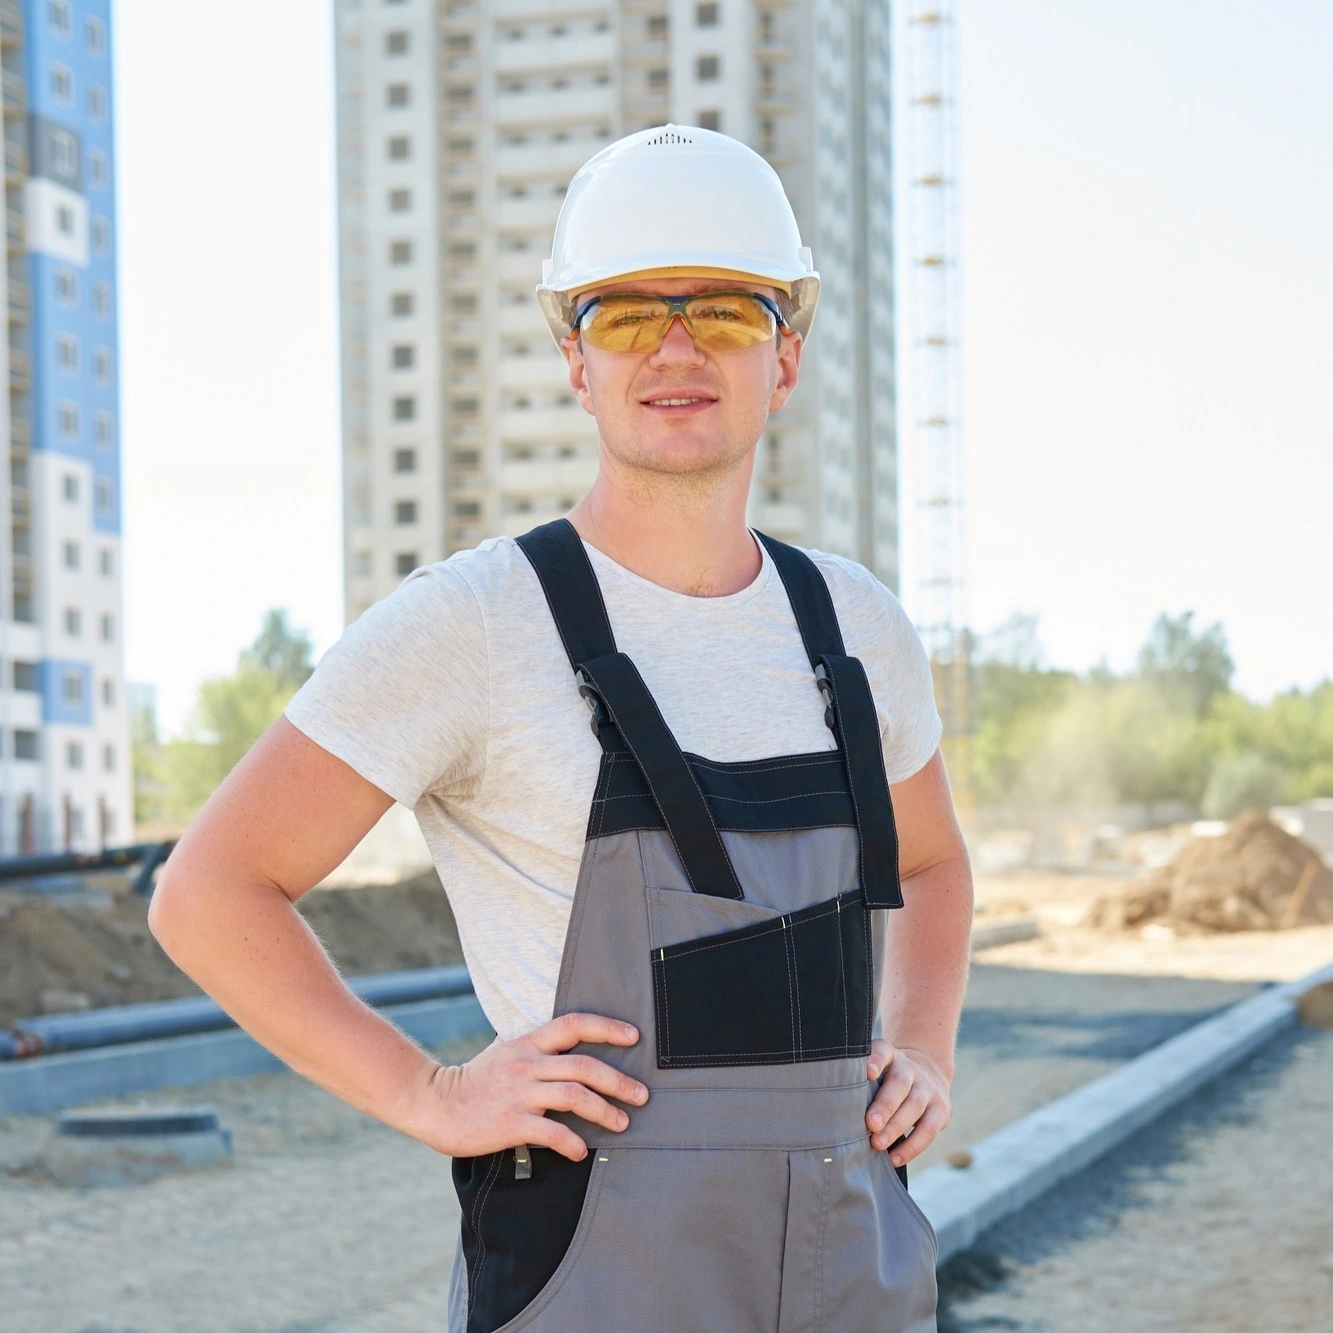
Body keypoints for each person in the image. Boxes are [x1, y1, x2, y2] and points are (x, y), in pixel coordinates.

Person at [148, 124, 973, 1332]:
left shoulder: (855, 624)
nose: (676, 348)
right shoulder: (474, 624)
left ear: (785, 357)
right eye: (628, 315)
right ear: (576, 362)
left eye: (727, 314)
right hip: (597, 1279)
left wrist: (923, 1045)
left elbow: (935, 861)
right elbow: (209, 890)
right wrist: (430, 1092)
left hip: (853, 1266)